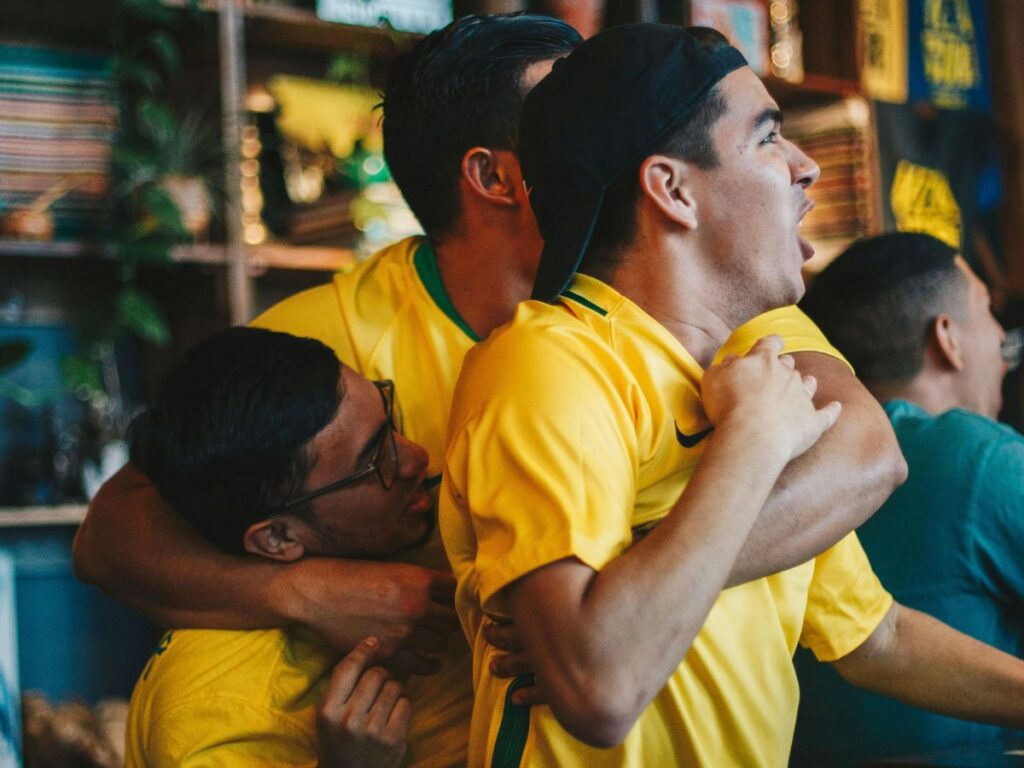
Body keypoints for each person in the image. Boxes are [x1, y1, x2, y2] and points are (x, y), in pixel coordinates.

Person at [75, 14, 902, 766]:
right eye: (570, 101)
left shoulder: (703, 291)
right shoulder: (329, 340)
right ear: (498, 176)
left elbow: (865, 455)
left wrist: (608, 607)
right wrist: (304, 592)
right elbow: (111, 535)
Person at [439, 24, 1024, 768]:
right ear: (672, 190)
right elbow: (599, 686)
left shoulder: (747, 370)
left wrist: (645, 583)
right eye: (768, 139)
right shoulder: (547, 362)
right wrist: (750, 446)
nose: (806, 167)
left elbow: (878, 638)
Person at [123, 327, 428, 767]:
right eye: (375, 461)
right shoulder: (217, 721)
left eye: (391, 421)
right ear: (278, 538)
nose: (417, 456)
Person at [792, 233, 1024, 766]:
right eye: (988, 312)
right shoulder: (977, 456)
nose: (1005, 348)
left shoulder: (790, 463)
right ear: (948, 338)